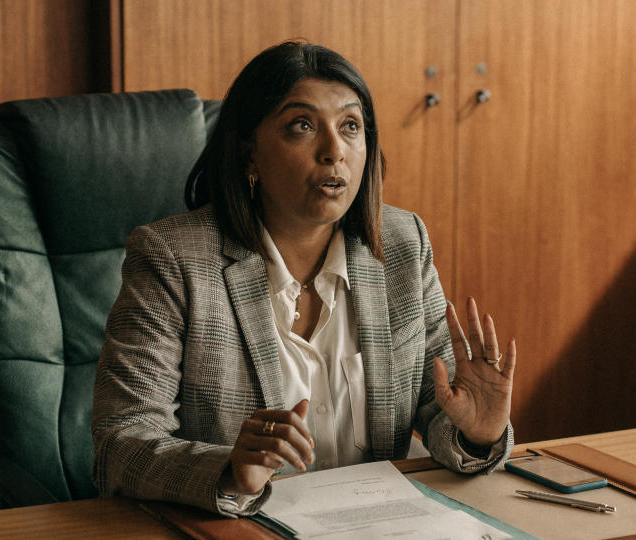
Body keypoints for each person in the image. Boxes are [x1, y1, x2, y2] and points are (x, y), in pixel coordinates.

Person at [91, 41, 516, 516]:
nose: (335, 152)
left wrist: (476, 433)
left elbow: (438, 408)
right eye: (303, 126)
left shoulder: (400, 244)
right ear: (249, 151)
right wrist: (230, 469)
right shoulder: (174, 260)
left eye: (351, 126)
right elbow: (121, 444)